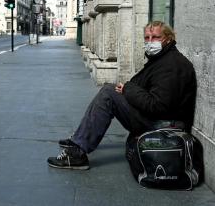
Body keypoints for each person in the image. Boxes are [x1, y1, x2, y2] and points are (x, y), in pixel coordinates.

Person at [47, 21, 197, 170]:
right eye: (147, 38)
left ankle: (77, 152)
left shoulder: (172, 65)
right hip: (157, 120)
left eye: (156, 37)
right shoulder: (161, 59)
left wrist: (128, 89)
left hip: (164, 125)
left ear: (168, 39)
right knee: (109, 90)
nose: (150, 42)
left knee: (108, 94)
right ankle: (80, 139)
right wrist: (127, 88)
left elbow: (158, 106)